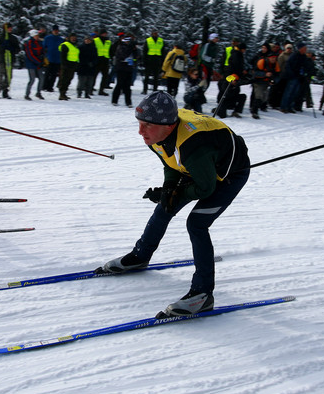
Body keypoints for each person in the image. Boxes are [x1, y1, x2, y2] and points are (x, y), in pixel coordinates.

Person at [99, 91, 251, 318]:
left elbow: (205, 188)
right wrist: (169, 189)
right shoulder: (156, 136)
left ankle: (202, 294)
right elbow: (171, 162)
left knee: (197, 223)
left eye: (147, 125)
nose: (140, 131)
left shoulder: (193, 145)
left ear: (168, 126)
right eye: (140, 124)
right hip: (196, 168)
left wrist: (175, 191)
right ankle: (140, 256)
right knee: (165, 207)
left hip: (227, 176)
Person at [110, 32, 138, 107]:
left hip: (129, 67)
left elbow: (137, 56)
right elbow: (123, 55)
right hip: (121, 67)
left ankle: (128, 102)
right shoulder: (120, 47)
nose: (128, 42)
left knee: (127, 86)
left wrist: (135, 50)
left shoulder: (131, 47)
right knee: (119, 84)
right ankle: (114, 100)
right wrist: (130, 48)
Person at [0, 22, 20, 99]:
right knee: (0, 76)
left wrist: (12, 49)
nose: (10, 29)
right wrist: (2, 48)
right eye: (8, 28)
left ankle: (5, 92)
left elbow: (17, 49)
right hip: (2, 60)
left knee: (8, 76)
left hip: (10, 60)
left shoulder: (13, 38)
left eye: (11, 28)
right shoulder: (0, 38)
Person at [23, 28, 45, 100]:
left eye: (38, 35)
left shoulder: (40, 42)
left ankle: (38, 92)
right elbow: (30, 55)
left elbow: (42, 51)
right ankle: (27, 94)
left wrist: (42, 58)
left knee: (41, 78)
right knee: (32, 79)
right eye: (36, 35)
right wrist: (38, 61)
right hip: (31, 64)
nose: (37, 36)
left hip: (38, 63)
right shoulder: (29, 43)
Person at [57, 31, 79, 101]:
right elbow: (63, 56)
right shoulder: (65, 45)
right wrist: (65, 65)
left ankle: (64, 93)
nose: (73, 39)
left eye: (74, 37)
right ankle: (62, 94)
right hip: (66, 65)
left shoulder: (75, 45)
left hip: (73, 64)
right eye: (72, 37)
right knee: (64, 79)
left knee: (69, 79)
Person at [42, 25, 63, 92]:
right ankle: (44, 86)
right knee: (47, 73)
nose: (56, 32)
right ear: (52, 31)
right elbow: (43, 47)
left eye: (57, 30)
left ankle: (50, 87)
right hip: (49, 58)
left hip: (57, 59)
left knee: (54, 74)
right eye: (54, 30)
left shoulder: (61, 39)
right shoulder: (48, 38)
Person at [142, 29, 164, 94]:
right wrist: (144, 61)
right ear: (152, 33)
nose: (155, 34)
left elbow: (163, 51)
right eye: (154, 33)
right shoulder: (148, 40)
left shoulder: (161, 40)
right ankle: (145, 89)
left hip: (157, 60)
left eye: (156, 33)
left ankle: (155, 90)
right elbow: (145, 51)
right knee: (147, 76)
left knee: (156, 77)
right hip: (149, 59)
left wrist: (162, 61)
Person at [94, 29, 112, 95]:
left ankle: (101, 90)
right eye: (103, 33)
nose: (104, 35)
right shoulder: (96, 40)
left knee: (105, 76)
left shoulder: (108, 41)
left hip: (105, 60)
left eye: (105, 33)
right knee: (94, 75)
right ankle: (90, 88)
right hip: (97, 59)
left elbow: (110, 50)